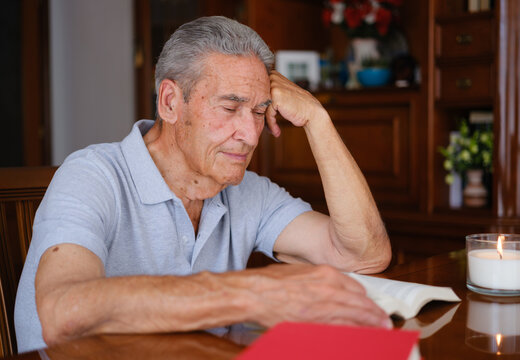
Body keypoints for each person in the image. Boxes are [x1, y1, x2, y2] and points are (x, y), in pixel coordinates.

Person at [14, 16, 391, 353]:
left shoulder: (246, 190)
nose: (249, 133)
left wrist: (317, 120)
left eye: (260, 111)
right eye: (230, 108)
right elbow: (63, 311)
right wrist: (247, 294)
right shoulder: (92, 175)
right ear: (170, 102)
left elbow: (363, 256)